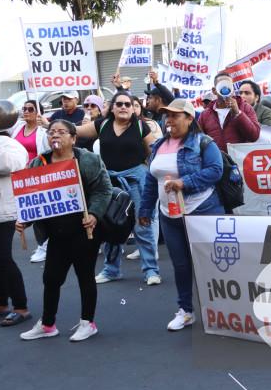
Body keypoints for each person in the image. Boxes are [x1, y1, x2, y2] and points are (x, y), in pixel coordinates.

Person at [17, 119, 112, 341]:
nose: (55, 136)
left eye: (61, 132)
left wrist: (94, 213)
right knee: (51, 278)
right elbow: (32, 198)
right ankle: (48, 324)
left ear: (73, 138)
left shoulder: (88, 160)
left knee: (85, 276)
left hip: (83, 229)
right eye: (51, 132)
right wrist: (25, 221)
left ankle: (88, 323)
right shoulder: (38, 163)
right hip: (56, 232)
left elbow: (103, 189)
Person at [139, 99, 224, 330]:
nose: (169, 120)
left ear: (189, 118)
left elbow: (216, 170)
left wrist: (184, 182)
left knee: (211, 265)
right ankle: (186, 311)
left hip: (202, 211)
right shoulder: (158, 145)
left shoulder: (203, 142)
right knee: (181, 265)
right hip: (169, 216)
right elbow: (151, 180)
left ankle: (219, 311)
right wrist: (145, 209)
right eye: (167, 115)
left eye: (175, 115)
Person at [74, 92, 159, 285]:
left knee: (142, 225)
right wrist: (52, 126)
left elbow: (154, 153)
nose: (123, 107)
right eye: (119, 104)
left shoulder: (141, 126)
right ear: (112, 107)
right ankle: (111, 271)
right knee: (110, 225)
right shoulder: (102, 124)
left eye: (128, 104)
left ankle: (151, 271)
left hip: (135, 182)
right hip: (109, 184)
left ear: (133, 108)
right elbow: (77, 131)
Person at [0, 131, 32, 327]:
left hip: (3, 212)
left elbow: (9, 166)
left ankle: (21, 307)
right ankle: (1, 304)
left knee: (2, 259)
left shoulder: (8, 143)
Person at [8, 100, 52, 263]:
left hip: (37, 175)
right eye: (24, 108)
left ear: (38, 112)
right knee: (25, 210)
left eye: (30, 109)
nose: (26, 111)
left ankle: (44, 246)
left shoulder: (43, 131)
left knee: (39, 211)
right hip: (19, 177)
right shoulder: (17, 128)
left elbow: (49, 152)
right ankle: (43, 244)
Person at [126, 95, 162, 261]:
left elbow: (156, 149)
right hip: (131, 173)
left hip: (148, 170)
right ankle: (142, 247)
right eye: (129, 105)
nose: (132, 108)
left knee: (151, 212)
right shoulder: (121, 127)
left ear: (141, 107)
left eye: (135, 105)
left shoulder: (150, 125)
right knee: (137, 212)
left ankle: (152, 249)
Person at [198, 71, 260, 151]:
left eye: (228, 86)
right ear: (214, 90)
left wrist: (238, 113)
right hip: (215, 158)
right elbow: (199, 140)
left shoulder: (246, 108)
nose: (226, 88)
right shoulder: (205, 114)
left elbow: (254, 136)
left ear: (233, 90)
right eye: (221, 85)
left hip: (238, 158)